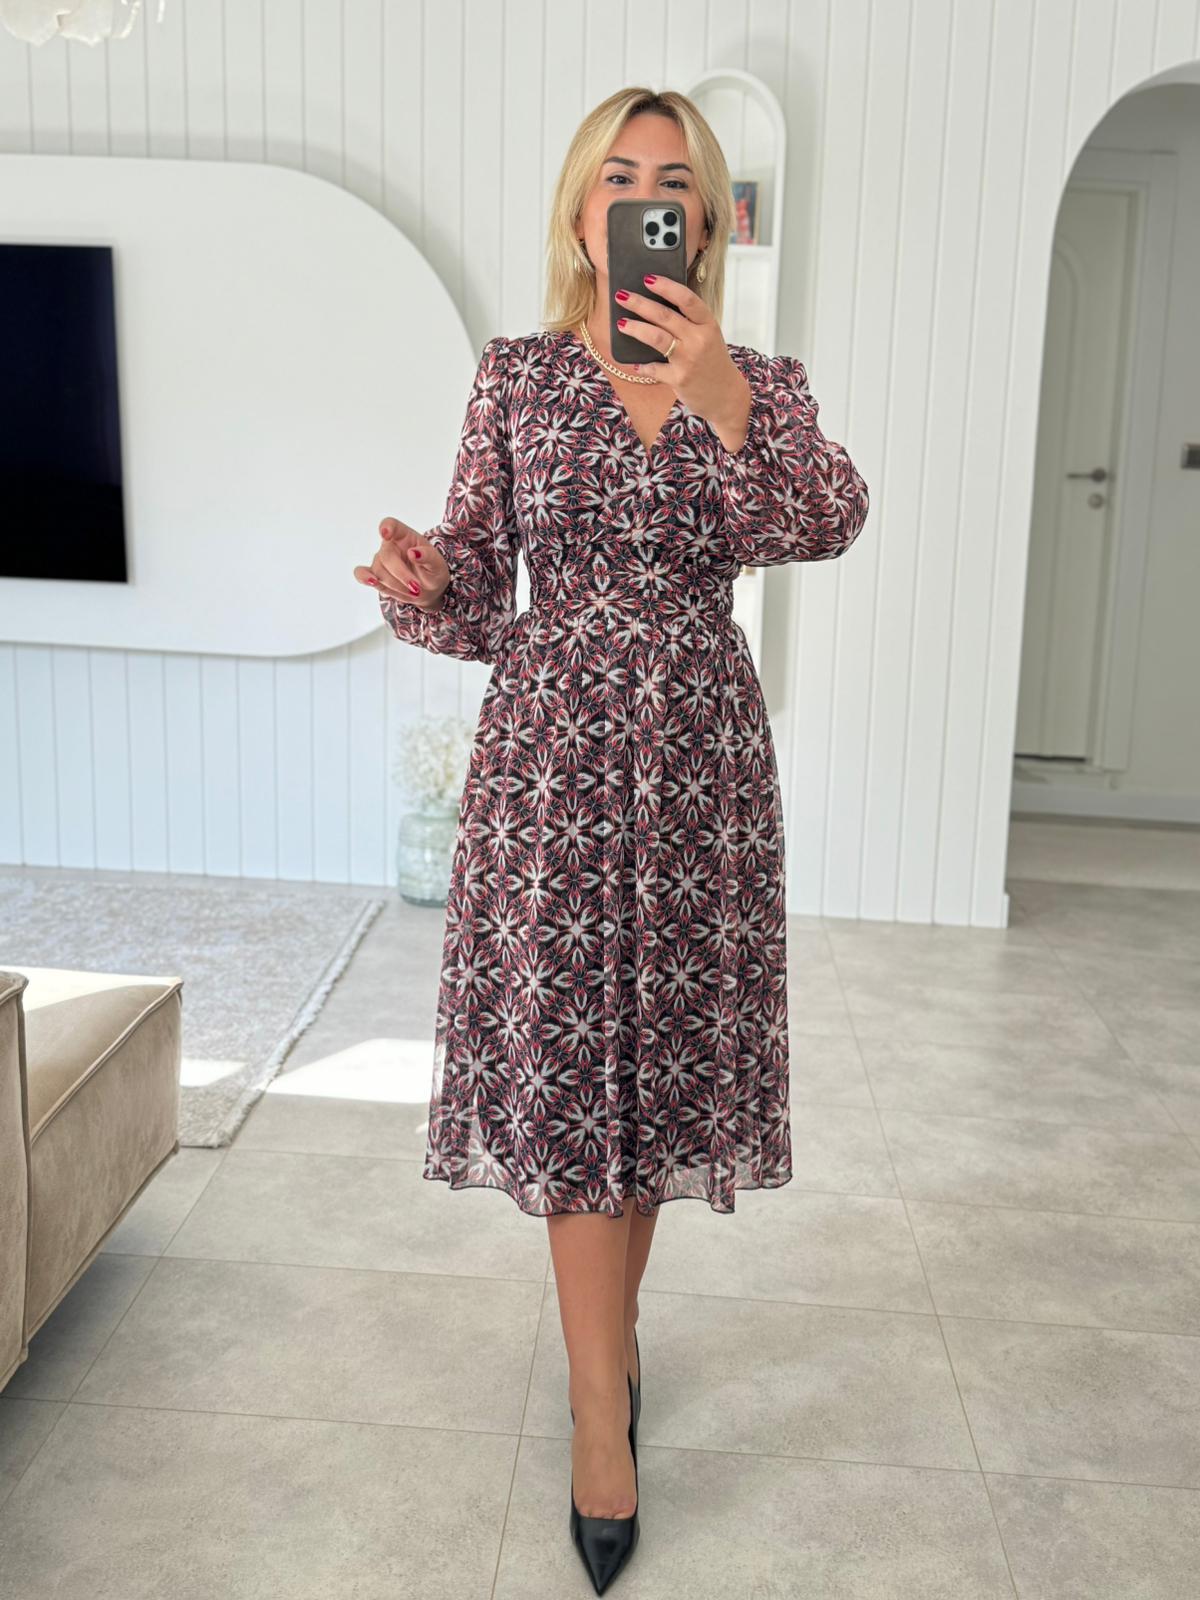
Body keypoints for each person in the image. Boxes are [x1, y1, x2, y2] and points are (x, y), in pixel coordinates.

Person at [353, 86, 869, 1594]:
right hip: (554, 763)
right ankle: (599, 1414)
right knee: (579, 1070)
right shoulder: (515, 378)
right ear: (585, 213)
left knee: (655, 1071)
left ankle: (612, 1347)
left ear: (702, 222)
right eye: (621, 177)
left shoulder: (762, 384)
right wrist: (425, 576)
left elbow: (823, 521)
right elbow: (477, 589)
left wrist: (721, 391)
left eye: (677, 182)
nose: (648, 199)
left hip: (702, 764)